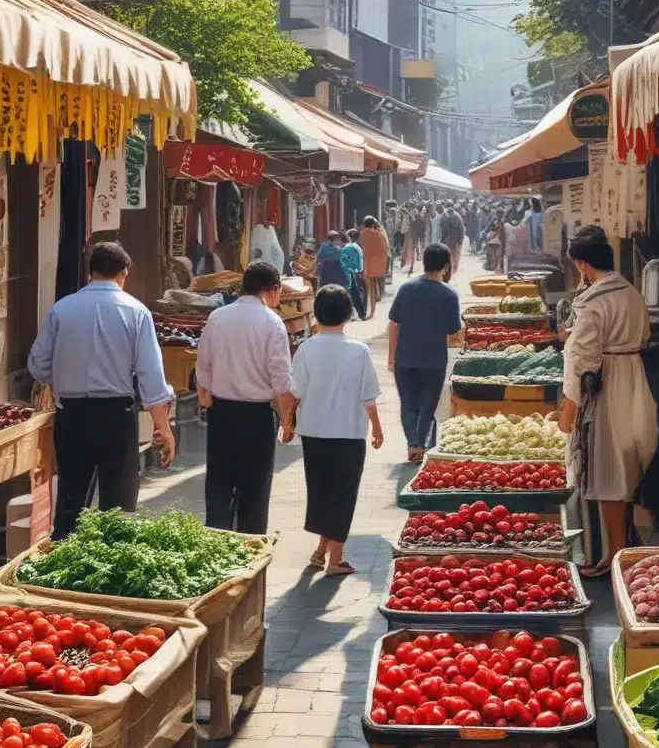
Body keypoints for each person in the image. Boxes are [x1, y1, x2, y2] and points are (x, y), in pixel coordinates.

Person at [28, 241, 175, 540]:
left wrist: (63, 376)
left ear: (90, 272)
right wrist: (164, 428)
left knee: (71, 499)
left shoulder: (61, 309)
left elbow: (38, 365)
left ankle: (64, 566)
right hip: (115, 416)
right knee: (118, 505)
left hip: (71, 414)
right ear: (124, 273)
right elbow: (150, 377)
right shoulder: (136, 312)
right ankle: (113, 567)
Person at [558, 226, 657, 578]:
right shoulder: (631, 292)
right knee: (627, 465)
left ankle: (613, 556)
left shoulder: (593, 301)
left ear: (583, 264)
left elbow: (581, 358)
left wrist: (569, 407)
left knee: (608, 471)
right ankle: (621, 549)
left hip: (608, 384)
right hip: (635, 377)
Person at [281, 284, 383, 576]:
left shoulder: (306, 349)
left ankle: (320, 551)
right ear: (348, 315)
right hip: (348, 433)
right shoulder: (358, 350)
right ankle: (335, 560)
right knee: (343, 494)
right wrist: (376, 427)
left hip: (314, 433)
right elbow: (368, 396)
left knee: (321, 492)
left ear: (316, 315)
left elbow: (295, 391)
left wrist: (287, 423)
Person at [196, 261, 291, 534]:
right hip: (257, 416)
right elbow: (281, 379)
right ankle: (250, 546)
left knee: (219, 484)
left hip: (222, 413)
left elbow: (203, 366)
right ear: (273, 290)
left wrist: (206, 398)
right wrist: (286, 420)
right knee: (255, 488)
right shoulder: (272, 323)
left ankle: (216, 542)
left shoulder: (218, 317)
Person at [388, 242, 463, 464]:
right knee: (427, 405)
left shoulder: (406, 289)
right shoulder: (449, 295)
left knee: (408, 404)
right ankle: (420, 444)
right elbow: (453, 331)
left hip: (405, 358)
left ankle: (413, 443)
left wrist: (391, 356)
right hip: (434, 360)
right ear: (446, 267)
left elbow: (394, 323)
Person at [360, 216, 389, 319]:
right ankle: (372, 312)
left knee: (370, 289)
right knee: (374, 288)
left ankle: (370, 312)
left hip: (367, 264)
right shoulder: (379, 234)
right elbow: (385, 247)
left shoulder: (363, 234)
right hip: (378, 264)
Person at [340, 228, 367, 321]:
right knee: (359, 294)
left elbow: (343, 261)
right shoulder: (358, 248)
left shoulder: (345, 247)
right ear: (358, 238)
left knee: (351, 294)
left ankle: (352, 314)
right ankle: (361, 313)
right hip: (358, 273)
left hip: (348, 273)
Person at [439, 202, 466, 274]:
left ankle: (453, 272)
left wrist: (460, 240)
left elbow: (462, 229)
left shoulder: (457, 216)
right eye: (448, 206)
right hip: (446, 240)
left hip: (455, 240)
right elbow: (441, 227)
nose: (449, 208)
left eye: (450, 206)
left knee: (455, 257)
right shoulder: (444, 216)